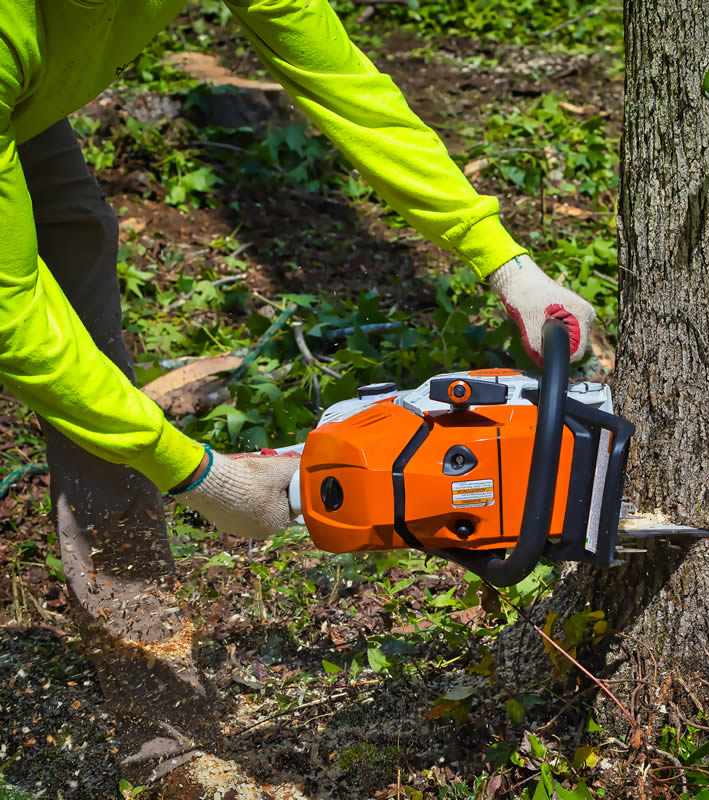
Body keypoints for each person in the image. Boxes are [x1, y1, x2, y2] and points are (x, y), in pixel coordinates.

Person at [0, 0, 596, 784]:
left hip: (24, 116)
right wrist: (191, 469)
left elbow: (340, 83)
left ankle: (162, 737)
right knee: (55, 353)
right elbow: (13, 319)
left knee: (83, 308)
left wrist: (505, 263)